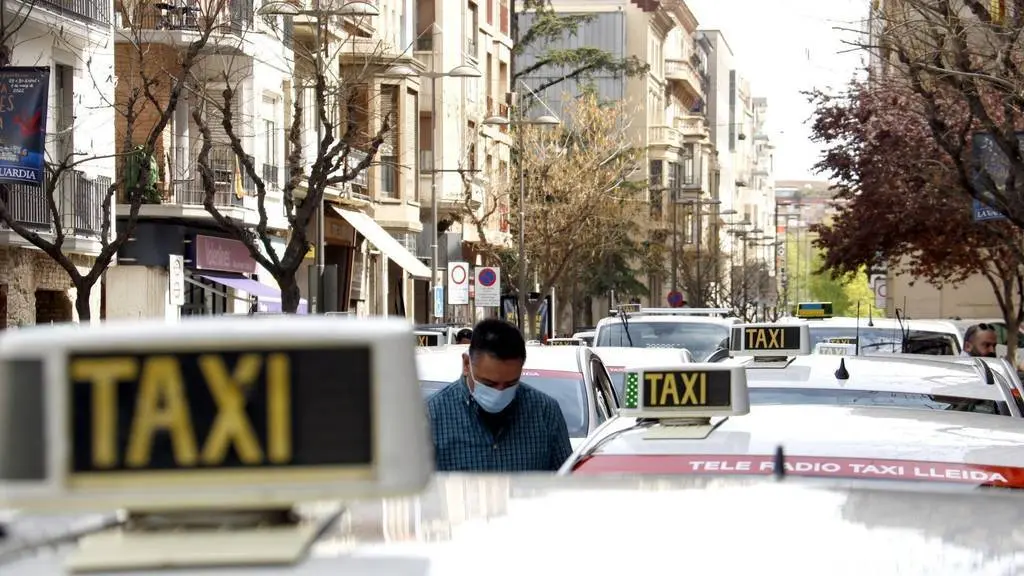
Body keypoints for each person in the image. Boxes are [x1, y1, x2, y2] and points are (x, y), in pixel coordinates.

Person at [427, 318, 573, 472]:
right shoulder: (430, 417)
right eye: (489, 384)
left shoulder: (545, 414)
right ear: (466, 364)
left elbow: (565, 486)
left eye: (510, 384)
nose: (499, 392)